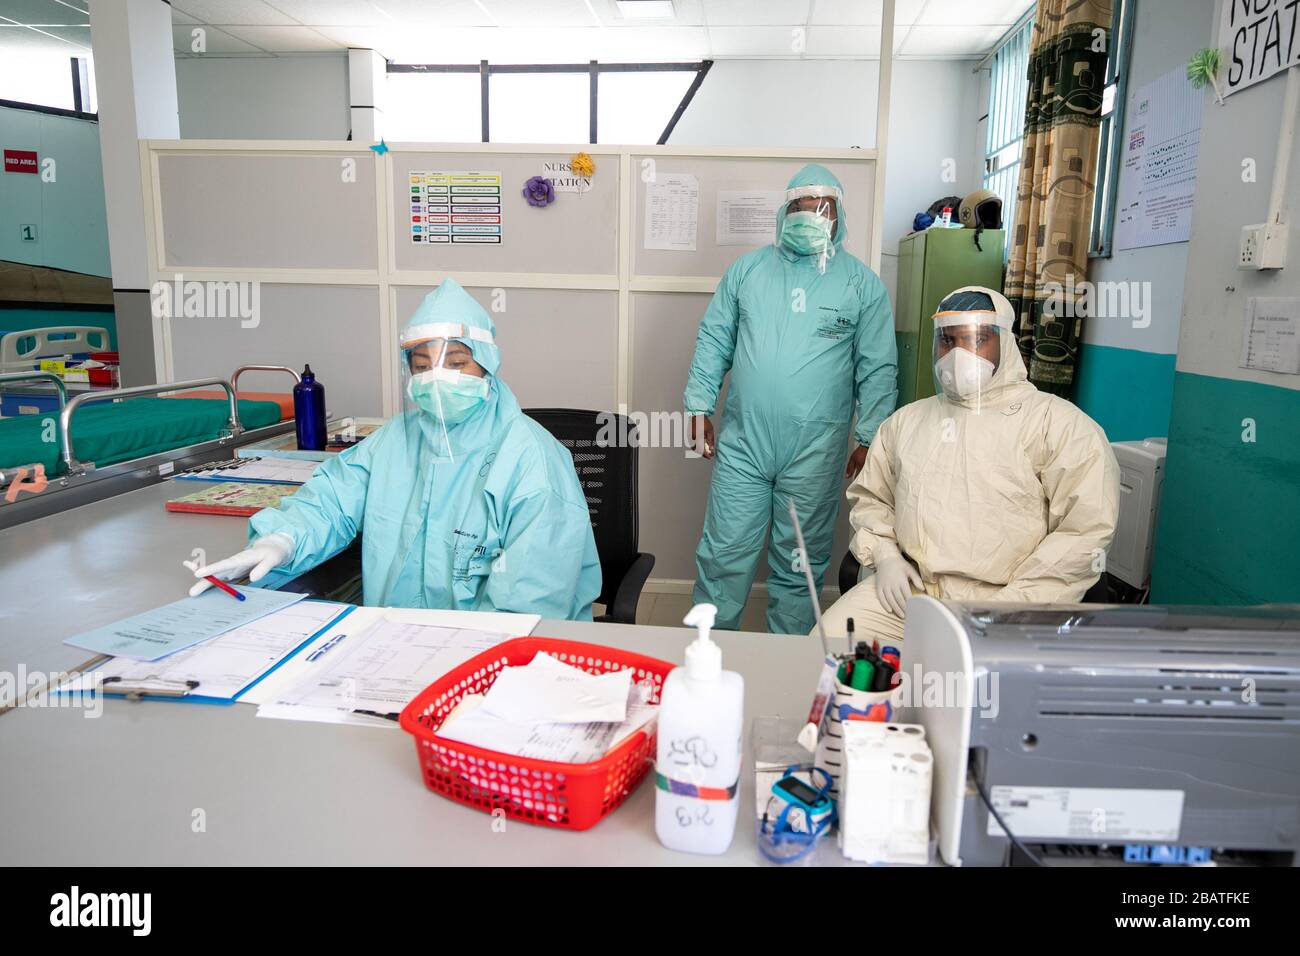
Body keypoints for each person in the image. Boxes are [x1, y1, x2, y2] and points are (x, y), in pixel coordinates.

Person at [190, 278, 602, 620]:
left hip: (493, 662)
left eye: (456, 362)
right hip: (393, 646)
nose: (435, 376)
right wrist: (281, 540)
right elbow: (332, 499)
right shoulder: (395, 440)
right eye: (422, 365)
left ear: (487, 363)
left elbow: (533, 600)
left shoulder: (530, 457)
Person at [820, 286, 1120, 645]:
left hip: (1010, 606)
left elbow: (1084, 533)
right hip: (913, 594)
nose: (957, 354)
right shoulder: (906, 423)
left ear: (1005, 344)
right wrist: (885, 556)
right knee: (827, 647)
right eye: (948, 340)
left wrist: (1011, 606)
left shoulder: (1061, 427)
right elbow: (872, 499)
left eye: (976, 340)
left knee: (969, 694)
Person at [684, 163, 897, 635]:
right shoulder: (748, 271)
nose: (811, 216)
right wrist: (699, 405)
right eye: (801, 207)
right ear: (784, 212)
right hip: (744, 444)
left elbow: (878, 367)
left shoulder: (861, 286)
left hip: (814, 451)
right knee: (724, 555)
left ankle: (789, 662)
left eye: (823, 209)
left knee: (800, 563)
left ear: (840, 217)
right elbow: (714, 340)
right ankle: (708, 654)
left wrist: (869, 437)